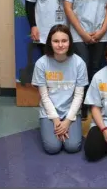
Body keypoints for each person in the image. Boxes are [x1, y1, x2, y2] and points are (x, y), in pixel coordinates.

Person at [32, 24, 88, 154]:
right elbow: (44, 96)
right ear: (50, 43)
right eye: (56, 41)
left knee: (73, 147)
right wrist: (56, 120)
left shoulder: (79, 63)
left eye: (64, 41)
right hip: (49, 112)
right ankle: (49, 125)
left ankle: (68, 128)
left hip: (71, 111)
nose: (60, 45)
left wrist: (67, 121)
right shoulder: (41, 63)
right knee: (52, 148)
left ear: (70, 42)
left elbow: (79, 96)